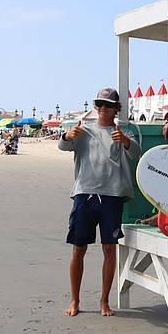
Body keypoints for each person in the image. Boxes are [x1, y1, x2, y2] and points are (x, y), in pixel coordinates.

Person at [58, 87, 141, 317]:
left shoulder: (124, 131)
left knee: (109, 248)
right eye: (100, 104)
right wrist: (67, 136)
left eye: (108, 104)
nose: (103, 108)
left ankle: (104, 301)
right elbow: (63, 145)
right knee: (78, 248)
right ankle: (74, 300)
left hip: (112, 197)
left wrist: (124, 141)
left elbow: (135, 153)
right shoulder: (83, 131)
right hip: (84, 194)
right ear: (95, 107)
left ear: (116, 108)